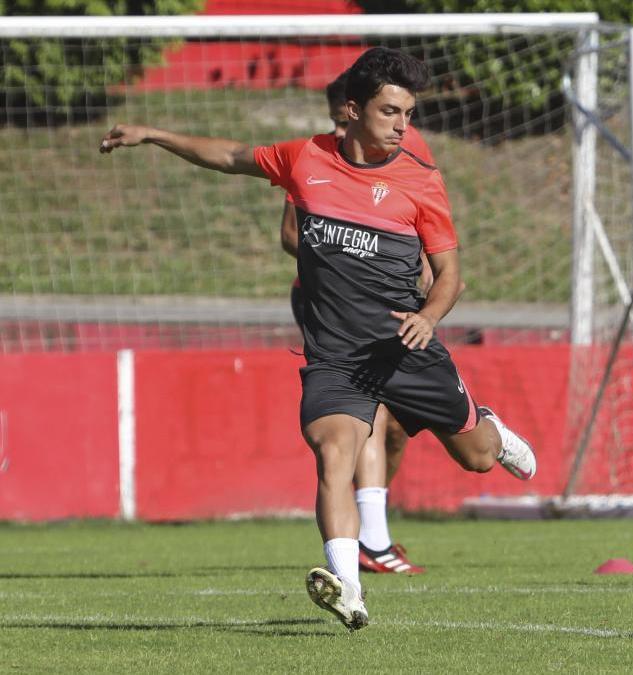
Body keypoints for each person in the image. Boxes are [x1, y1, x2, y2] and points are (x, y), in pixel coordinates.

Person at [100, 46, 537, 631]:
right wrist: (152, 133)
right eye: (390, 112)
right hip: (336, 355)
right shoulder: (303, 157)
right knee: (335, 455)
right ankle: (348, 588)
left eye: (408, 114)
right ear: (352, 111)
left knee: (478, 458)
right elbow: (230, 156)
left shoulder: (421, 180)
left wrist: (429, 316)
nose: (402, 126)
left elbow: (451, 274)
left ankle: (489, 425)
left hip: (405, 347)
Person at [278, 71, 460, 577]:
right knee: (362, 423)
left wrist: (399, 266)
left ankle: (375, 536)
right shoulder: (314, 162)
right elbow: (292, 233)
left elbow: (423, 230)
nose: (339, 128)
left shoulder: (406, 150)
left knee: (402, 428)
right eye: (335, 119)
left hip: (397, 309)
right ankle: (372, 544)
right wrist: (340, 251)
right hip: (329, 312)